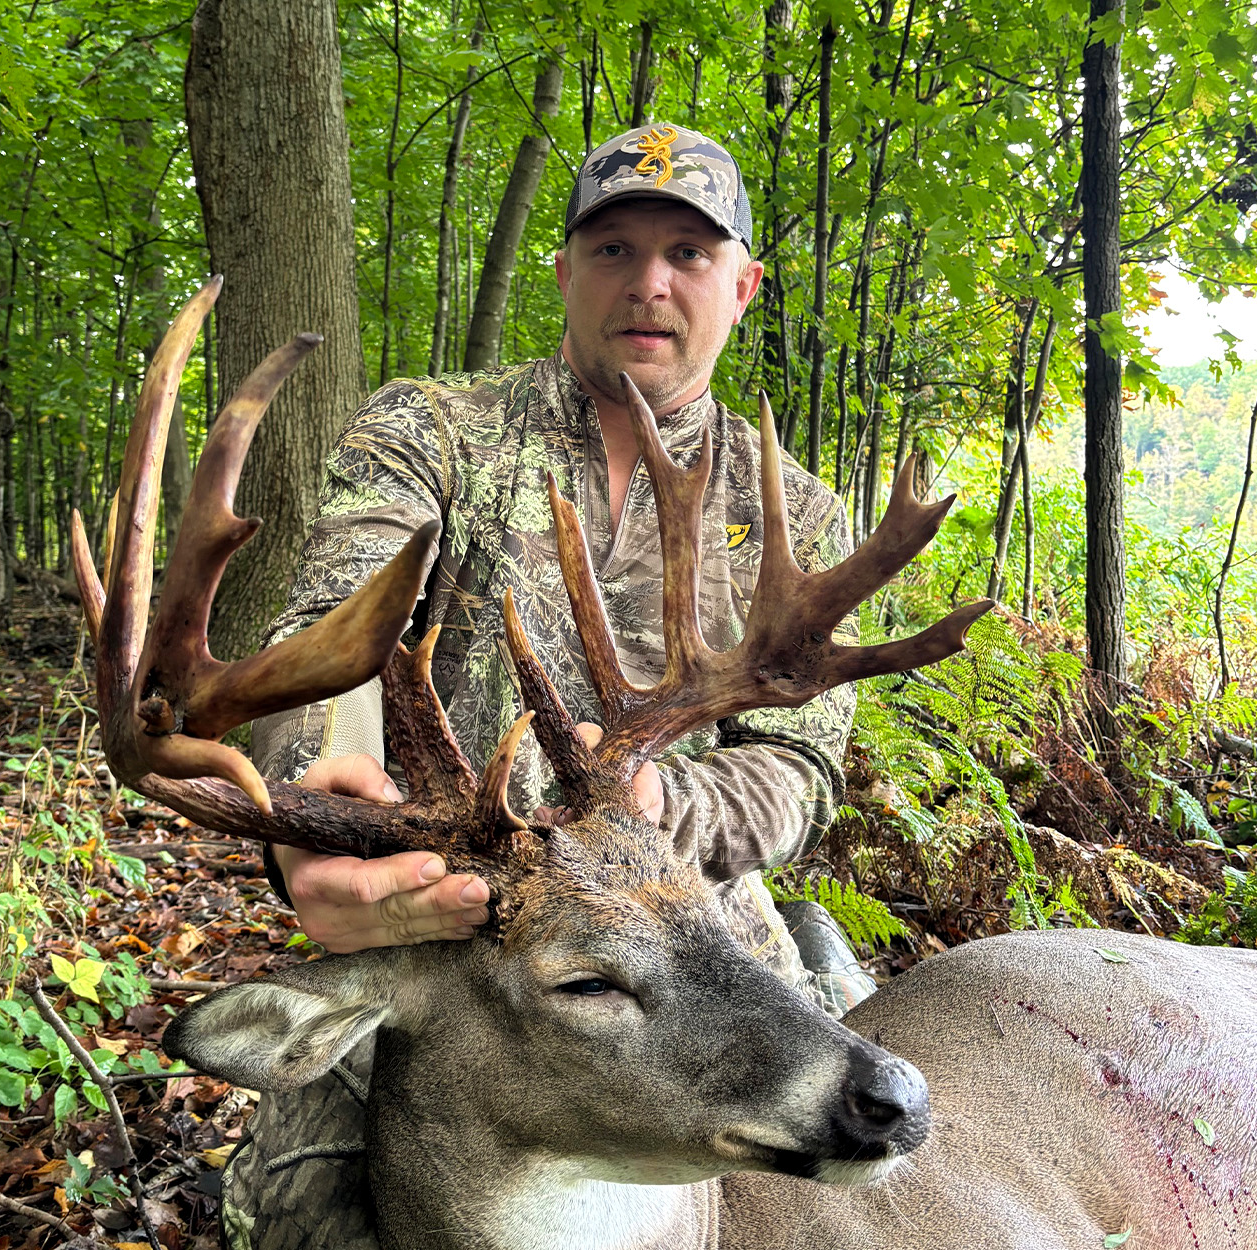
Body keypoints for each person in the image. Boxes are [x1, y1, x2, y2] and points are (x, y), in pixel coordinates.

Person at [221, 124, 876, 1250]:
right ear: (566, 270)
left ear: (743, 284)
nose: (650, 282)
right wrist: (314, 794)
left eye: (688, 253)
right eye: (613, 248)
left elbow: (803, 766)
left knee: (850, 1166)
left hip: (691, 918)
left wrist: (678, 807)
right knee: (291, 1218)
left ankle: (809, 948)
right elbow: (324, 641)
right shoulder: (429, 431)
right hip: (450, 917)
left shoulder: (796, 516)